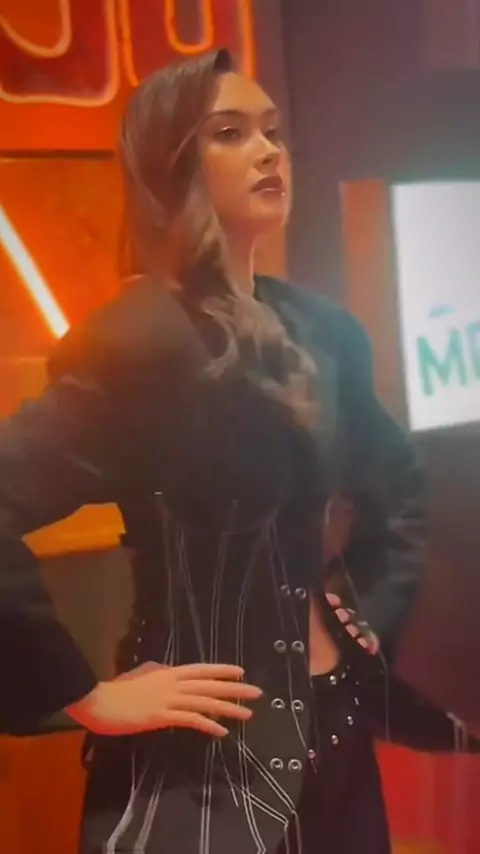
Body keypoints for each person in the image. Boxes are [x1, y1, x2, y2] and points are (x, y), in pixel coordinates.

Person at [0, 48, 476, 854]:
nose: (268, 152)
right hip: (199, 766)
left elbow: (398, 489)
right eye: (230, 133)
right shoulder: (140, 343)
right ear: (172, 168)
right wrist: (86, 695)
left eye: (273, 132)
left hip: (337, 745)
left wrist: (362, 620)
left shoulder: (322, 331)